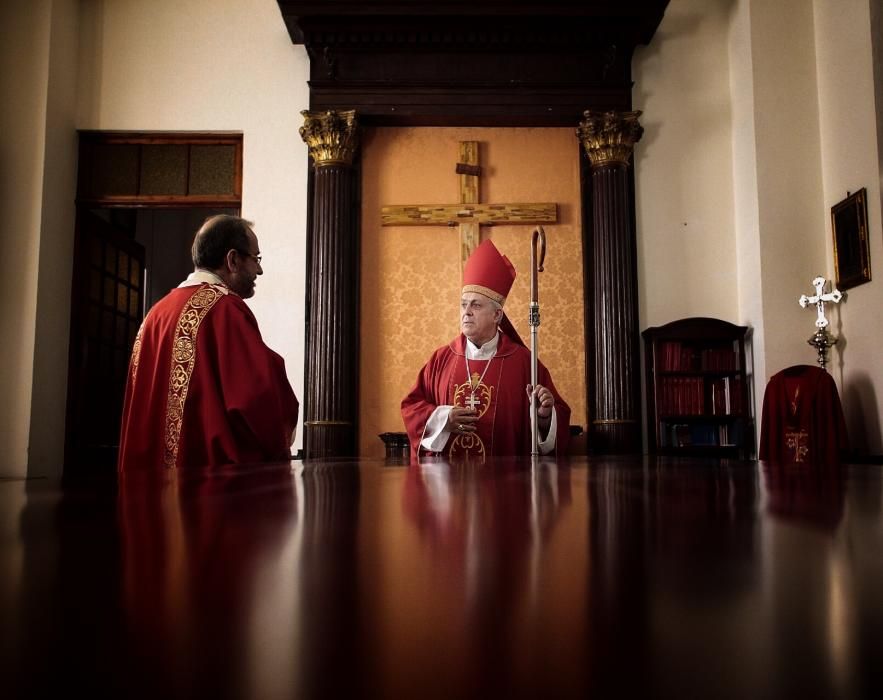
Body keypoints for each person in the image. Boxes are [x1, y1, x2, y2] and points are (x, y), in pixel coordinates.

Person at [118, 215, 299, 472]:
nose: (259, 270)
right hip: (206, 484)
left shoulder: (155, 314)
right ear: (233, 259)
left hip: (152, 481)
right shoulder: (225, 309)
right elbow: (256, 398)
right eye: (256, 259)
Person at [401, 239, 571, 461]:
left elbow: (556, 415)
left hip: (506, 486)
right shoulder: (442, 359)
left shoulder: (523, 363)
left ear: (497, 315)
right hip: (448, 490)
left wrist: (545, 417)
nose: (467, 312)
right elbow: (411, 407)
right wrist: (443, 419)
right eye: (464, 304)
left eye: (476, 305)